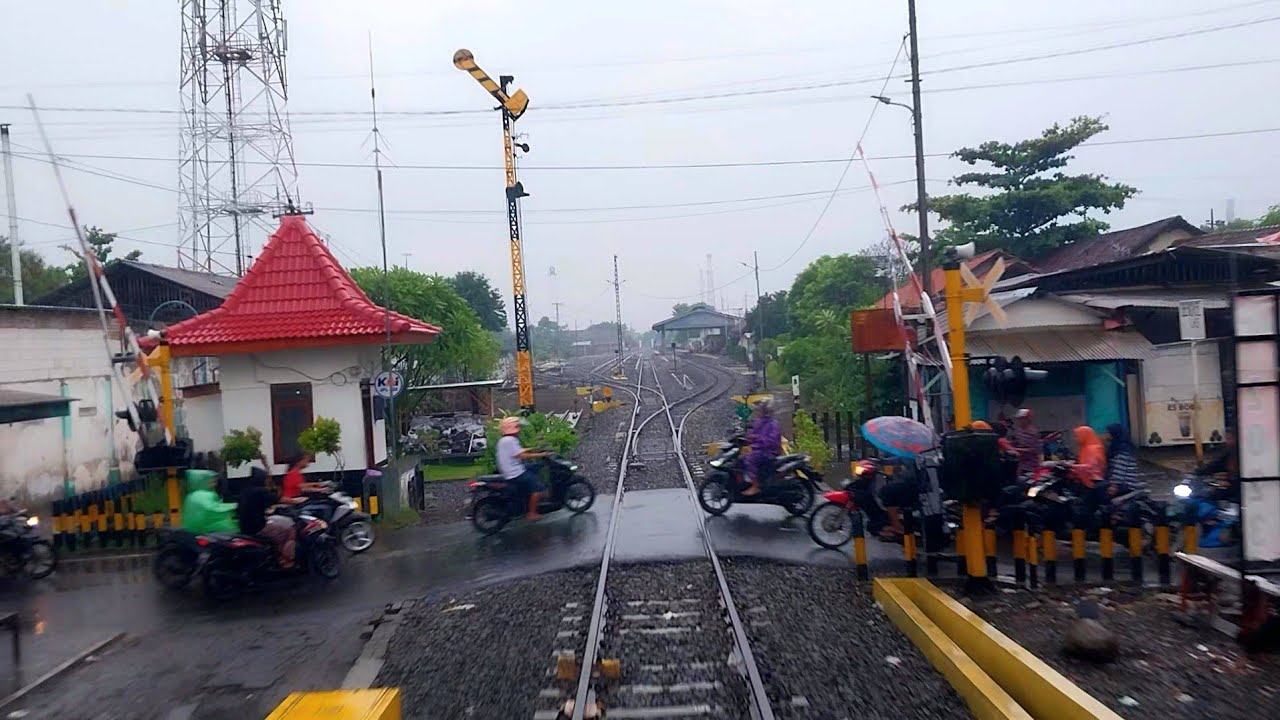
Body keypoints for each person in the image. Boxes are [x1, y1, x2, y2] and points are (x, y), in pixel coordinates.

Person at [237, 467, 297, 568]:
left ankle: (276, 554)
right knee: (289, 530)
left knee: (276, 523)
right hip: (258, 527)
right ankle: (287, 559)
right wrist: (297, 500)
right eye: (266, 479)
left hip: (245, 527)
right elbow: (279, 499)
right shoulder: (261, 491)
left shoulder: (245, 490)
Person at [496, 416, 550, 520]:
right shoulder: (511, 440)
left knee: (535, 467)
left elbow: (516, 451)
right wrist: (541, 454)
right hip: (515, 472)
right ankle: (532, 513)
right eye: (517, 427)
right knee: (538, 488)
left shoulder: (503, 440)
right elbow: (521, 455)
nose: (519, 430)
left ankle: (528, 499)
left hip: (508, 470)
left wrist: (533, 448)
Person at [742, 397, 782, 496]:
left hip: (768, 452)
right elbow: (752, 433)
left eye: (760, 410)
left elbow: (771, 441)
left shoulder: (773, 424)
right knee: (740, 458)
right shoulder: (759, 422)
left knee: (749, 459)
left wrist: (756, 438)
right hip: (759, 450)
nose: (758, 412)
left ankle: (755, 485)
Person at [181, 469, 239, 535]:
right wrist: (234, 507)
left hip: (192, 529)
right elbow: (213, 509)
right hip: (205, 529)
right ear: (203, 481)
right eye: (212, 481)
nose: (215, 484)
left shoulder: (190, 496)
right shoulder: (207, 495)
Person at [1104, 423, 1139, 492]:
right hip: (1121, 483)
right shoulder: (1115, 446)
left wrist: (1114, 486)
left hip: (1126, 484)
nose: (1106, 435)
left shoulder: (1123, 449)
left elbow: (1120, 468)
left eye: (1108, 433)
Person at [1011, 409, 1043, 475]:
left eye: (1022, 418)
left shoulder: (1033, 433)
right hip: (1020, 465)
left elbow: (1035, 450)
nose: (1019, 420)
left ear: (1028, 419)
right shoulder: (1018, 431)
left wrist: (1014, 449)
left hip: (1031, 466)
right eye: (1018, 419)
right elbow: (1015, 443)